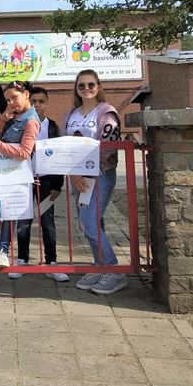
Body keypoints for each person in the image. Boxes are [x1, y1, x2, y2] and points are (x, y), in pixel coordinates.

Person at [62, 69, 125, 295]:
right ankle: (100, 267)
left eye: (91, 85)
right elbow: (65, 147)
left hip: (99, 175)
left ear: (98, 86)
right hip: (78, 179)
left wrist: (81, 172)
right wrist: (73, 173)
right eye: (81, 86)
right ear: (76, 90)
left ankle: (115, 271)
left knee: (89, 223)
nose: (86, 89)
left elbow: (107, 148)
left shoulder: (106, 112)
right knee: (90, 223)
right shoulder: (71, 114)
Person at [0, 81, 40, 268]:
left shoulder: (31, 120)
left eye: (15, 97)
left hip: (15, 174)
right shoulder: (12, 115)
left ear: (26, 95)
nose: (11, 102)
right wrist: (2, 119)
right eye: (7, 99)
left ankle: (3, 250)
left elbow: (24, 152)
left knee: (9, 212)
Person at [9, 87, 68, 282]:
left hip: (45, 180)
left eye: (41, 101)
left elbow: (59, 156)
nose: (37, 105)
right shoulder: (18, 124)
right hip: (24, 180)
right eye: (33, 101)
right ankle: (22, 260)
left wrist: (57, 185)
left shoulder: (52, 126)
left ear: (46, 103)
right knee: (23, 222)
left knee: (47, 222)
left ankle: (51, 262)